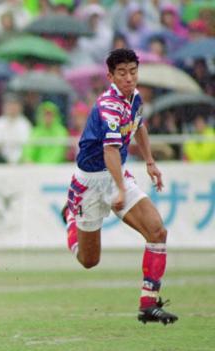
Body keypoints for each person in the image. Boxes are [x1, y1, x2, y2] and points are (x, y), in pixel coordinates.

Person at [62, 48, 178, 325]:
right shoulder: (108, 107)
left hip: (116, 177)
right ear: (111, 76)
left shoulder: (135, 98)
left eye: (133, 72)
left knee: (157, 230)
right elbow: (110, 152)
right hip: (90, 183)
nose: (129, 78)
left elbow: (139, 126)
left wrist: (150, 162)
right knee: (89, 261)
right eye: (122, 73)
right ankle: (69, 216)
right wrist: (121, 189)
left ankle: (148, 304)